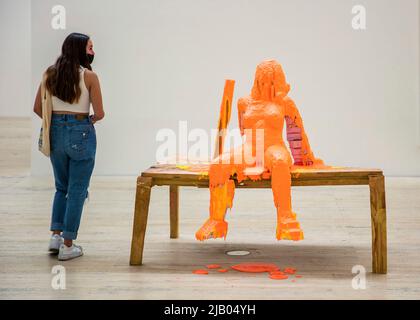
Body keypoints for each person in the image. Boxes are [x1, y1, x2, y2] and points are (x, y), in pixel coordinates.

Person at [33, 32, 105, 260]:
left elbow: (37, 108)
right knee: (77, 191)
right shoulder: (90, 76)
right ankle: (67, 245)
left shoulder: (50, 74)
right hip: (81, 131)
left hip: (55, 132)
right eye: (90, 47)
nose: (92, 52)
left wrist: (57, 123)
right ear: (80, 50)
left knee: (61, 188)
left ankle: (55, 237)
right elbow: (100, 113)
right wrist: (88, 121)